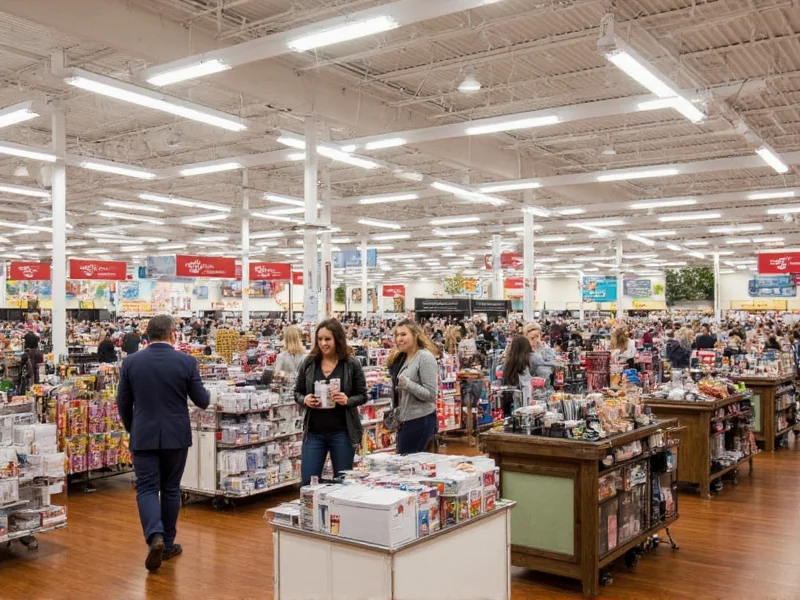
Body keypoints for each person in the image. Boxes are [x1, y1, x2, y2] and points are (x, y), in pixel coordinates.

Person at [116, 315, 210, 572]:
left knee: (146, 488)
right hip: (176, 435)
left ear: (147, 335)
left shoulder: (131, 362)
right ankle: (167, 543)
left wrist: (131, 427)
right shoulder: (186, 362)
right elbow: (202, 400)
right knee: (170, 489)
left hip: (143, 434)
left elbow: (122, 402)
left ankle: (154, 536)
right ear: (172, 334)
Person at [295, 318, 367, 485]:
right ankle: (312, 511)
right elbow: (297, 392)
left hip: (342, 432)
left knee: (342, 481)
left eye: (327, 339)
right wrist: (305, 399)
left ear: (337, 339)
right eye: (320, 339)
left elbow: (362, 395)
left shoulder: (350, 364)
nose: (323, 343)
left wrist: (347, 400)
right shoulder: (309, 362)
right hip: (314, 432)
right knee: (308, 482)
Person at [387, 319, 440, 455]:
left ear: (415, 335)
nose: (399, 339)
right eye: (397, 335)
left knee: (408, 465)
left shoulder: (425, 357)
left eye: (404, 334)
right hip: (405, 420)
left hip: (420, 420)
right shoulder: (402, 358)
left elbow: (431, 394)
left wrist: (407, 384)